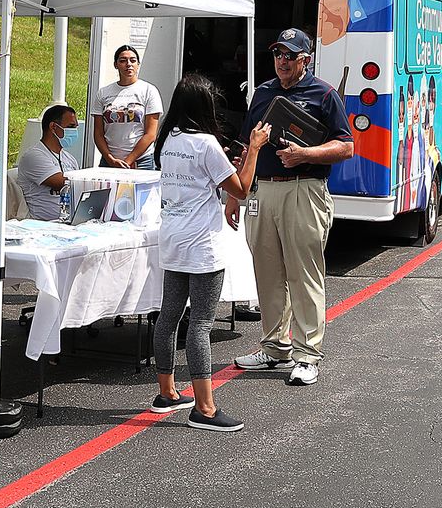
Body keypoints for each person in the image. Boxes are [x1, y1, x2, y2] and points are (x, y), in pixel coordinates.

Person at [227, 28, 355, 386]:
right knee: (267, 274)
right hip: (263, 190)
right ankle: (274, 347)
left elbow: (346, 146)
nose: (282, 61)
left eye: (290, 55)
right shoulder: (263, 92)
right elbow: (246, 145)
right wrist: (236, 195)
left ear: (305, 60)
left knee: (303, 274)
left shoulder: (324, 94)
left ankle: (308, 354)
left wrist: (305, 154)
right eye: (278, 54)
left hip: (304, 189)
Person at [146, 74, 270, 431]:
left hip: (172, 236)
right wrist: (254, 148)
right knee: (201, 323)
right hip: (202, 243)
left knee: (169, 316)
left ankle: (167, 393)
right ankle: (205, 408)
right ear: (203, 106)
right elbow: (241, 189)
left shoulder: (168, 140)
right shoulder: (206, 144)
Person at [93, 44, 162, 170]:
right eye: (123, 60)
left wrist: (128, 161)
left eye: (133, 60)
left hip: (141, 162)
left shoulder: (149, 91)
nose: (128, 64)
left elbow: (151, 134)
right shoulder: (103, 93)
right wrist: (110, 159)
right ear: (116, 65)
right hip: (109, 162)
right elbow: (98, 134)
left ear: (138, 64)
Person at [9, 104, 80, 220]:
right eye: (71, 127)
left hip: (68, 222)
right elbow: (63, 184)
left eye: (76, 127)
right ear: (53, 127)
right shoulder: (34, 156)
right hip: (41, 225)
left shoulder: (70, 159)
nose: (75, 131)